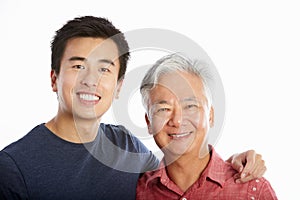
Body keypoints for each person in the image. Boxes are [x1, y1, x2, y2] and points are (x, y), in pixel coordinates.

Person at [0, 16, 266, 199]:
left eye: (104, 69)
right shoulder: (12, 167)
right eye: (78, 66)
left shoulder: (126, 146)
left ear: (118, 87)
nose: (91, 80)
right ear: (54, 79)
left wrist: (235, 163)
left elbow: (179, 162)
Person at [136, 53, 278, 199]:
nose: (177, 121)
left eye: (190, 106)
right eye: (164, 109)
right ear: (149, 123)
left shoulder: (253, 191)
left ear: (210, 115)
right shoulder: (138, 190)